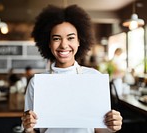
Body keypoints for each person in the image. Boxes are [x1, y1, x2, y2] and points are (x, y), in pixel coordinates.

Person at [21, 5, 122, 133]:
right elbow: (32, 130)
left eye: (70, 38)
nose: (64, 45)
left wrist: (113, 126)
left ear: (79, 41)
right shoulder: (37, 82)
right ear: (49, 43)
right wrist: (28, 129)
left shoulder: (93, 78)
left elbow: (99, 129)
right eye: (56, 38)